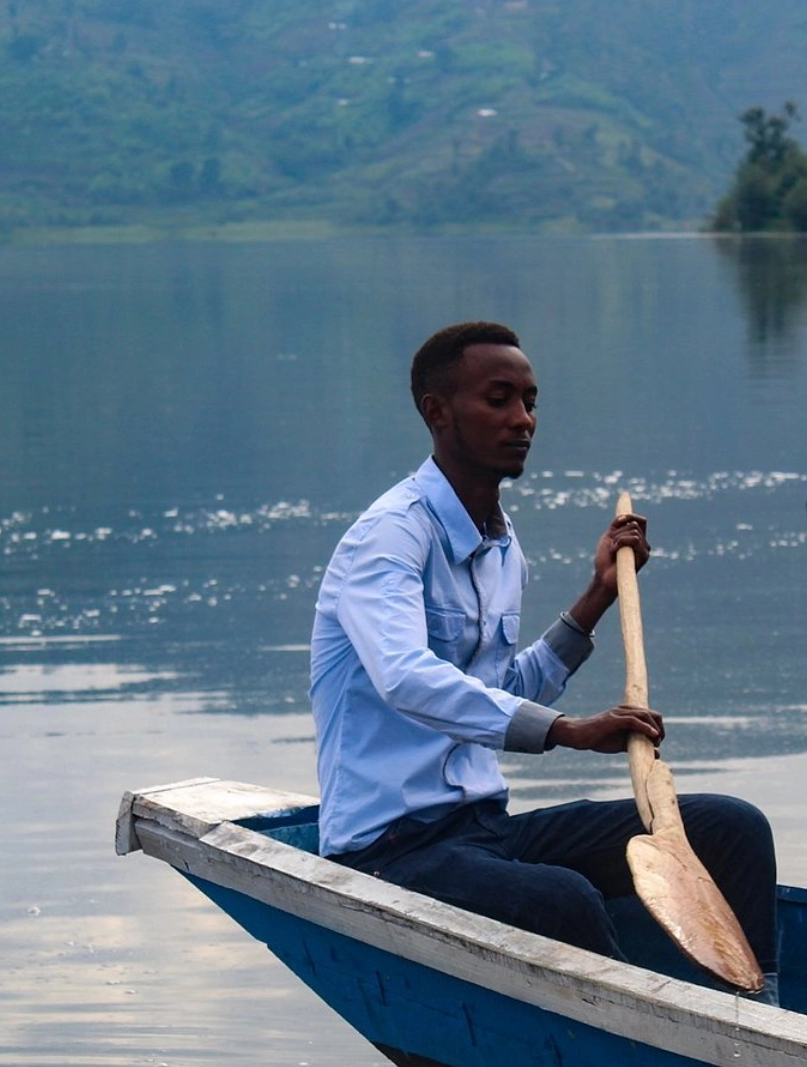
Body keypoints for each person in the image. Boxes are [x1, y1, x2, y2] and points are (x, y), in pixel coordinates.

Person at [308, 320, 778, 996]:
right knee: (562, 899)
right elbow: (406, 677)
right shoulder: (388, 538)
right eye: (498, 400)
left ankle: (762, 1016)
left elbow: (503, 687)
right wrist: (567, 731)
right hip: (389, 850)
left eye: (530, 402)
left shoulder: (502, 546)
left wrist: (598, 594)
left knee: (732, 828)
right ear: (438, 412)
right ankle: (641, 1031)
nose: (523, 419)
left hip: (483, 830)